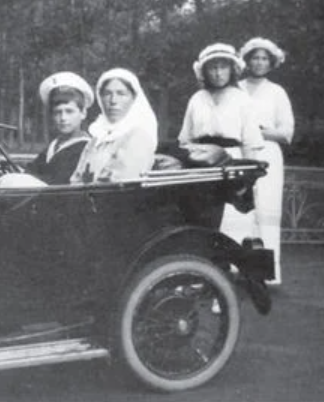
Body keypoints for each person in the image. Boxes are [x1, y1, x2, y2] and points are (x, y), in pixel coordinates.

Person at [177, 42, 264, 241]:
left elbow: (250, 142)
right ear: (204, 72)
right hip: (200, 164)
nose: (218, 73)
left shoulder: (242, 99)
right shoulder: (197, 99)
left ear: (232, 70)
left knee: (231, 221)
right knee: (200, 219)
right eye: (212, 68)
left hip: (231, 163)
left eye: (223, 67)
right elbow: (185, 140)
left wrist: (249, 178)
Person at [239, 37, 295, 285]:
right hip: (239, 153)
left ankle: (266, 272)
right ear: (247, 61)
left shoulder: (277, 92)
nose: (259, 62)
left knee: (265, 208)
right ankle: (236, 268)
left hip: (268, 155)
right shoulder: (236, 89)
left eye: (264, 58)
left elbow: (286, 133)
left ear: (271, 63)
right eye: (255, 58)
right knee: (238, 208)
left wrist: (257, 132)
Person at [70, 68, 158, 183]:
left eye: (121, 94)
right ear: (100, 98)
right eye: (107, 94)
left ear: (134, 99)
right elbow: (76, 179)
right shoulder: (97, 138)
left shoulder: (139, 136)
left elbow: (121, 182)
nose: (113, 101)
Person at [28, 71, 94, 184]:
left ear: (83, 113)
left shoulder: (85, 148)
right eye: (57, 112)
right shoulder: (54, 145)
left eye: (69, 111)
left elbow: (59, 181)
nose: (63, 118)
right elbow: (31, 170)